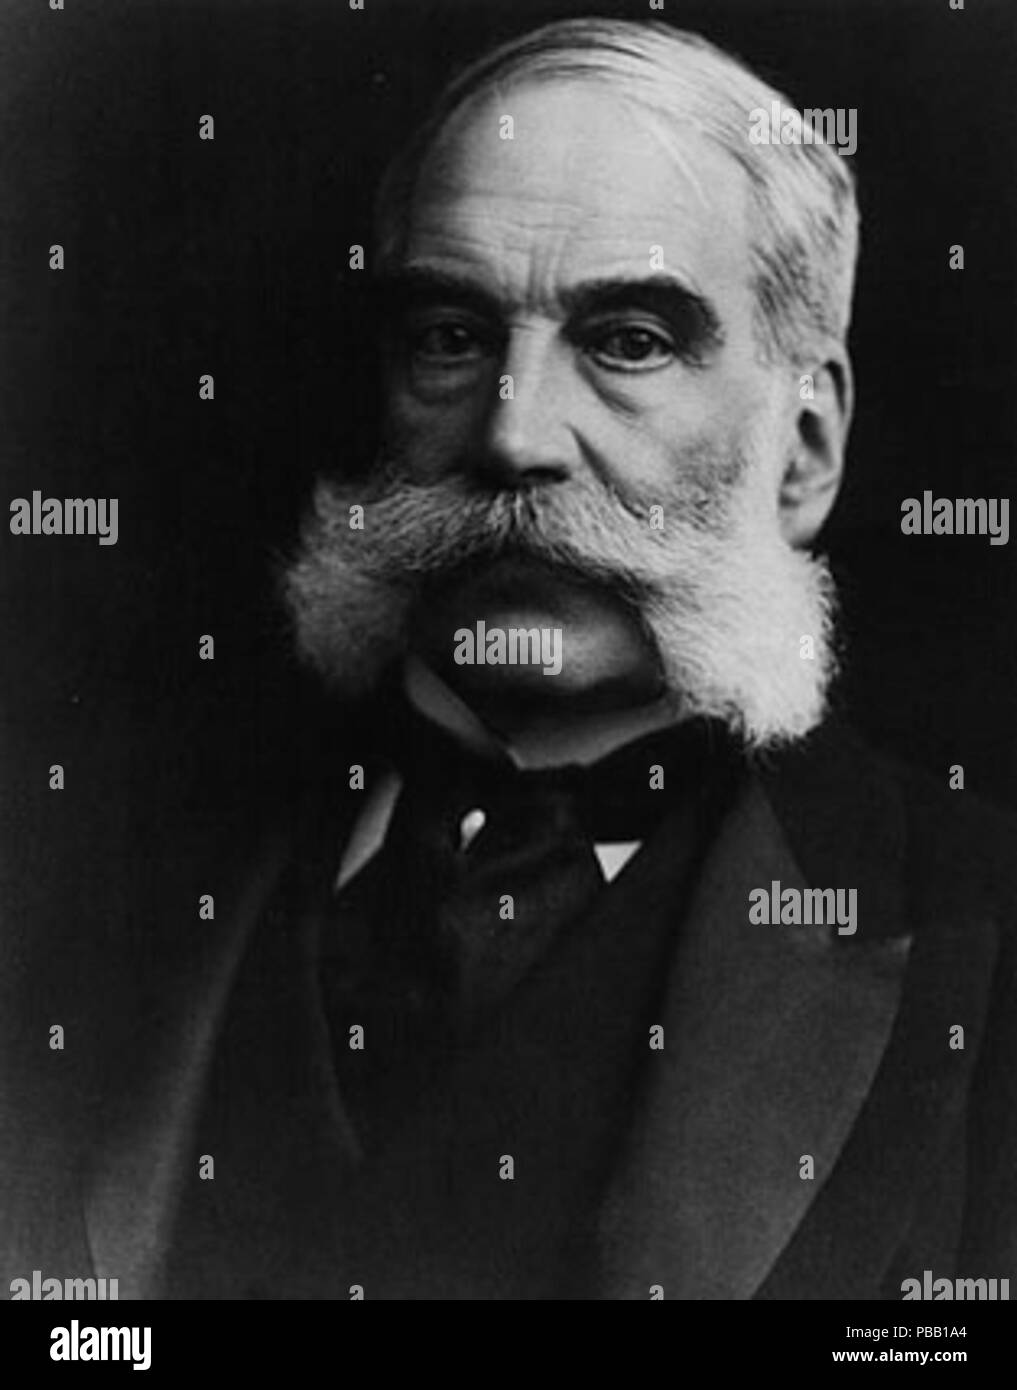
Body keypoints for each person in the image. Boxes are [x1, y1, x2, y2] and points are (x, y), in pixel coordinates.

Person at [6, 18, 1015, 1302]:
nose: (514, 433)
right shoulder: (79, 888)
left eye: (630, 340)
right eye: (452, 336)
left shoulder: (983, 933)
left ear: (805, 449)